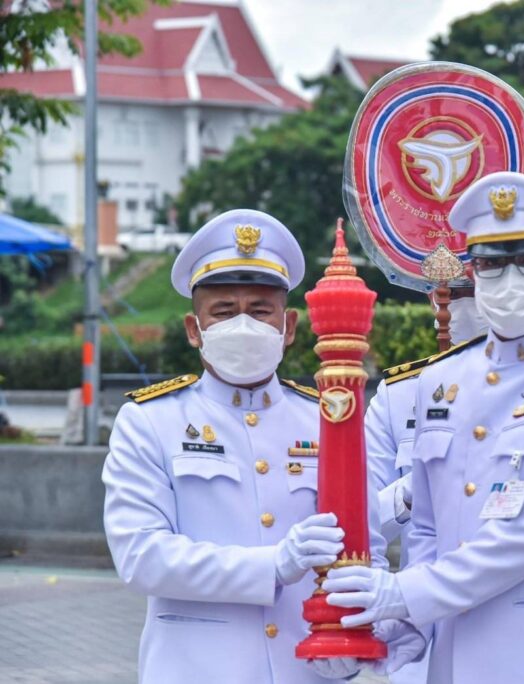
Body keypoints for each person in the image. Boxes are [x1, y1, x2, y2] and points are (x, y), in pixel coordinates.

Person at [321, 171, 524, 684]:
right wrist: (408, 624)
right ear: (472, 271)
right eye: (492, 265)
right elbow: (426, 529)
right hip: (456, 657)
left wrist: (406, 594)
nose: (509, 279)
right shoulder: (441, 381)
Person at [102, 208, 387, 683]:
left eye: (259, 310)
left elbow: (365, 548)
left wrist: (356, 630)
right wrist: (273, 564)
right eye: (223, 312)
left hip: (308, 670)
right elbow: (141, 557)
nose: (243, 324)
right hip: (199, 671)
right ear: (193, 329)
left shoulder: (328, 418)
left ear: (288, 326)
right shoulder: (150, 421)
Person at [365, 284, 487, 684]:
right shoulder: (399, 394)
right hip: (424, 630)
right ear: (434, 298)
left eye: (476, 285)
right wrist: (407, 495)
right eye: (455, 291)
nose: (467, 301)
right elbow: (360, 520)